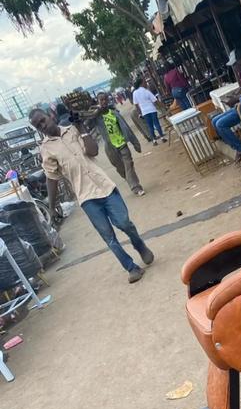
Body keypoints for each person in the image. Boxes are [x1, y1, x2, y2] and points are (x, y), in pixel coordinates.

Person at [29, 108, 155, 284]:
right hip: (86, 197)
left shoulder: (72, 130)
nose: (43, 126)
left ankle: (139, 245)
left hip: (105, 186)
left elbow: (93, 150)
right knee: (108, 237)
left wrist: (81, 127)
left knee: (124, 223)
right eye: (38, 125)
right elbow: (52, 179)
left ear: (51, 116)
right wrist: (51, 207)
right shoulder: (46, 149)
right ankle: (131, 268)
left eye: (43, 120)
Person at [93, 92, 145, 197]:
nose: (103, 102)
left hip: (121, 143)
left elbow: (126, 128)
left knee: (129, 165)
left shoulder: (114, 113)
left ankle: (136, 187)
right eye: (101, 100)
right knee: (121, 168)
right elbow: (86, 121)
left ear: (108, 100)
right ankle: (130, 180)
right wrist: (96, 111)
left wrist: (135, 143)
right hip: (110, 148)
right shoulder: (97, 117)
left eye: (105, 99)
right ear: (98, 102)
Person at [132, 77, 167, 146]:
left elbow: (136, 105)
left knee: (150, 126)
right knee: (157, 124)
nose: (146, 83)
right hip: (152, 110)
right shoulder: (146, 91)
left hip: (144, 112)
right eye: (145, 82)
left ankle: (154, 141)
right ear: (141, 83)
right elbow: (156, 101)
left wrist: (140, 113)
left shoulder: (135, 93)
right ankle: (162, 138)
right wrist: (164, 106)